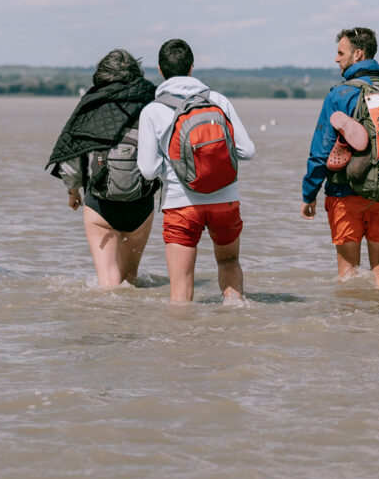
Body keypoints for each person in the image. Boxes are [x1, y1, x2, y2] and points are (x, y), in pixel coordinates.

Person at [137, 38, 255, 304]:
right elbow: (247, 151)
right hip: (225, 200)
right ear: (192, 67)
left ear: (160, 70)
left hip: (181, 205)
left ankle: (181, 342)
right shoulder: (218, 100)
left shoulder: (153, 111)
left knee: (181, 289)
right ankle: (235, 320)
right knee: (229, 260)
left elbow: (147, 170)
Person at [301, 26, 379, 288]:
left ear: (358, 54)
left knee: (348, 272)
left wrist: (309, 194)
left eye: (341, 52)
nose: (336, 59)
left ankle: (351, 326)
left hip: (345, 192)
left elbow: (322, 151)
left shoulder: (341, 93)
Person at [46, 49, 158, 288]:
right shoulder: (150, 105)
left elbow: (72, 161)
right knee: (130, 281)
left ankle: (107, 326)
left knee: (108, 286)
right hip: (141, 203)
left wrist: (73, 192)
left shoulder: (91, 106)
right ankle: (131, 324)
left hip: (100, 206)